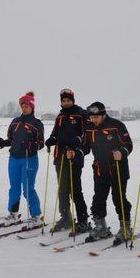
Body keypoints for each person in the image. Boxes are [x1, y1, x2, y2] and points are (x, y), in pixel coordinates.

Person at [83, 102, 134, 244]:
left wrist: (122, 152)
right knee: (98, 199)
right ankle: (101, 227)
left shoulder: (116, 125)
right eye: (92, 118)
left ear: (103, 114)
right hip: (100, 169)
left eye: (96, 117)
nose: (94, 120)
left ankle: (126, 228)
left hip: (118, 168)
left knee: (118, 199)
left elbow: (128, 144)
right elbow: (85, 146)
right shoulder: (89, 128)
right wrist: (77, 151)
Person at [0, 92, 45, 227]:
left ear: (32, 107)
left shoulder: (37, 123)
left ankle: (36, 216)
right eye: (23, 106)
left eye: (27, 106)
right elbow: (11, 139)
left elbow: (41, 143)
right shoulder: (15, 121)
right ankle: (13, 214)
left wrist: (31, 145)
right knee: (14, 188)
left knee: (28, 189)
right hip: (14, 158)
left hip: (29, 159)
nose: (24, 108)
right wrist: (3, 143)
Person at [44, 88, 91, 234]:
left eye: (68, 100)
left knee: (75, 189)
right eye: (63, 101)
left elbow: (87, 134)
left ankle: (83, 221)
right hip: (60, 156)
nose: (65, 103)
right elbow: (55, 133)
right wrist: (52, 139)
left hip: (74, 156)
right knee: (62, 189)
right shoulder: (60, 116)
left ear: (73, 100)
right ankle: (66, 218)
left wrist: (77, 140)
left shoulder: (81, 114)